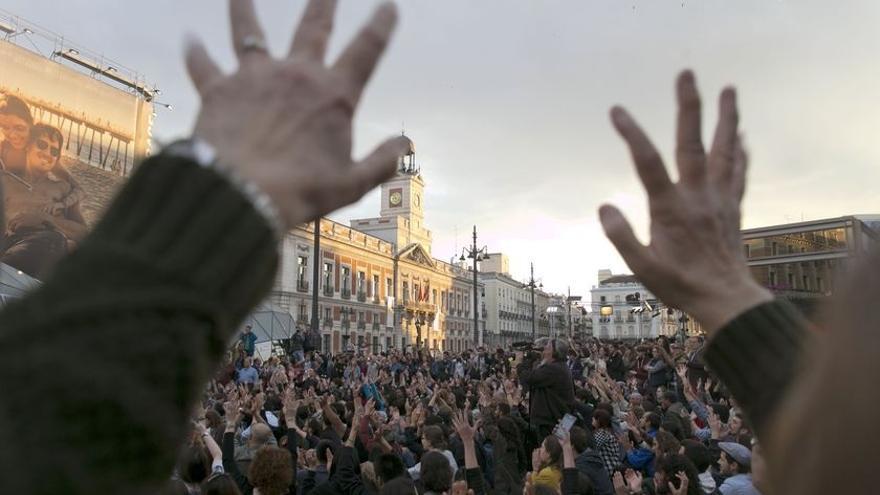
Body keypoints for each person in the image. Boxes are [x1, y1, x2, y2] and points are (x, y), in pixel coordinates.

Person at [1, 124, 88, 278]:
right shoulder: (5, 180)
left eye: (54, 151)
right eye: (42, 145)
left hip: (47, 247)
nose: (47, 153)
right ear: (27, 146)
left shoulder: (63, 190)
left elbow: (84, 234)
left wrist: (46, 219)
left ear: (57, 159)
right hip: (9, 245)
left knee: (56, 241)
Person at [517, 337, 575, 440]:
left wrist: (520, 362)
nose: (543, 351)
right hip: (558, 419)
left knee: (551, 452)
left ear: (554, 353)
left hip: (551, 422)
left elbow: (529, 378)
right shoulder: (560, 367)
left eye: (547, 348)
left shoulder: (553, 369)